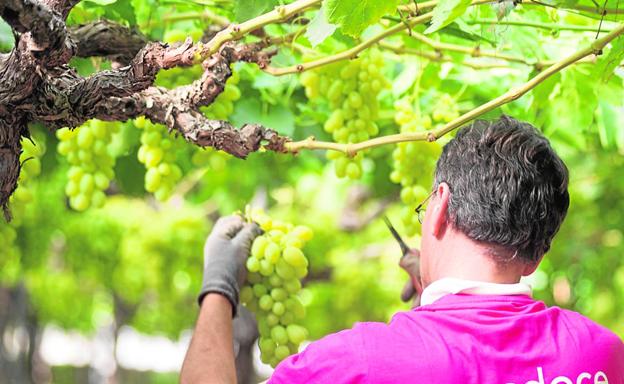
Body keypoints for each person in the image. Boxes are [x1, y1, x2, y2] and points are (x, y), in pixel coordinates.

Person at [180, 116, 624, 384]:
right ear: (538, 254)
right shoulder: (600, 355)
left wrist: (219, 288)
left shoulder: (355, 364)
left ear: (439, 208)